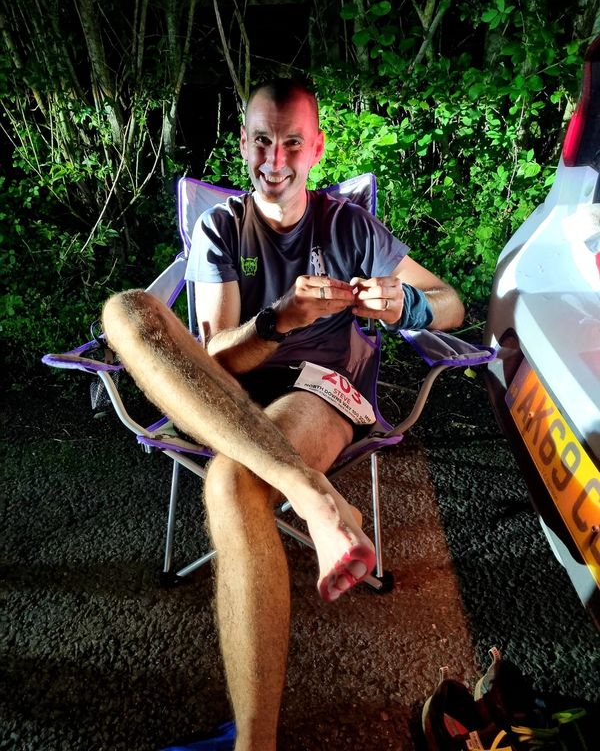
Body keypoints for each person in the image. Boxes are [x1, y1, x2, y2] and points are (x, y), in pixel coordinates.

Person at [101, 78, 464, 751]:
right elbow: (217, 360)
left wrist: (406, 304)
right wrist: (280, 317)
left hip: (319, 391)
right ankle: (315, 495)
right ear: (243, 144)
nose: (275, 159)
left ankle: (255, 744)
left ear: (316, 148)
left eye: (292, 142)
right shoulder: (220, 227)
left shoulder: (349, 226)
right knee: (125, 309)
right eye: (263, 140)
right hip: (230, 395)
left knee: (232, 481)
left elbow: (451, 301)